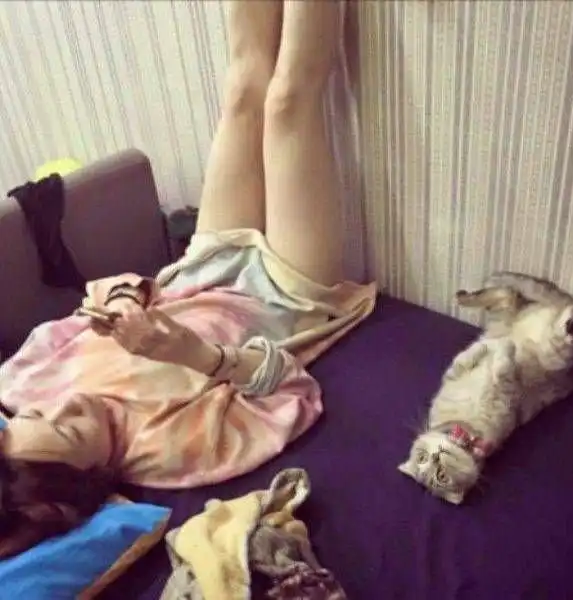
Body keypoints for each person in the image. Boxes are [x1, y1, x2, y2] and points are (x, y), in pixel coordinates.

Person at [0, 0, 375, 558]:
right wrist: (199, 356)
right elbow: (292, 391)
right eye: (73, 431)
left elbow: (91, 304)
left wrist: (123, 300)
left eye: (38, 416)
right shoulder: (165, 451)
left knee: (243, 90)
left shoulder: (22, 385)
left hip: (199, 270)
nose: (68, 405)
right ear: (93, 478)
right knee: (286, 102)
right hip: (284, 293)